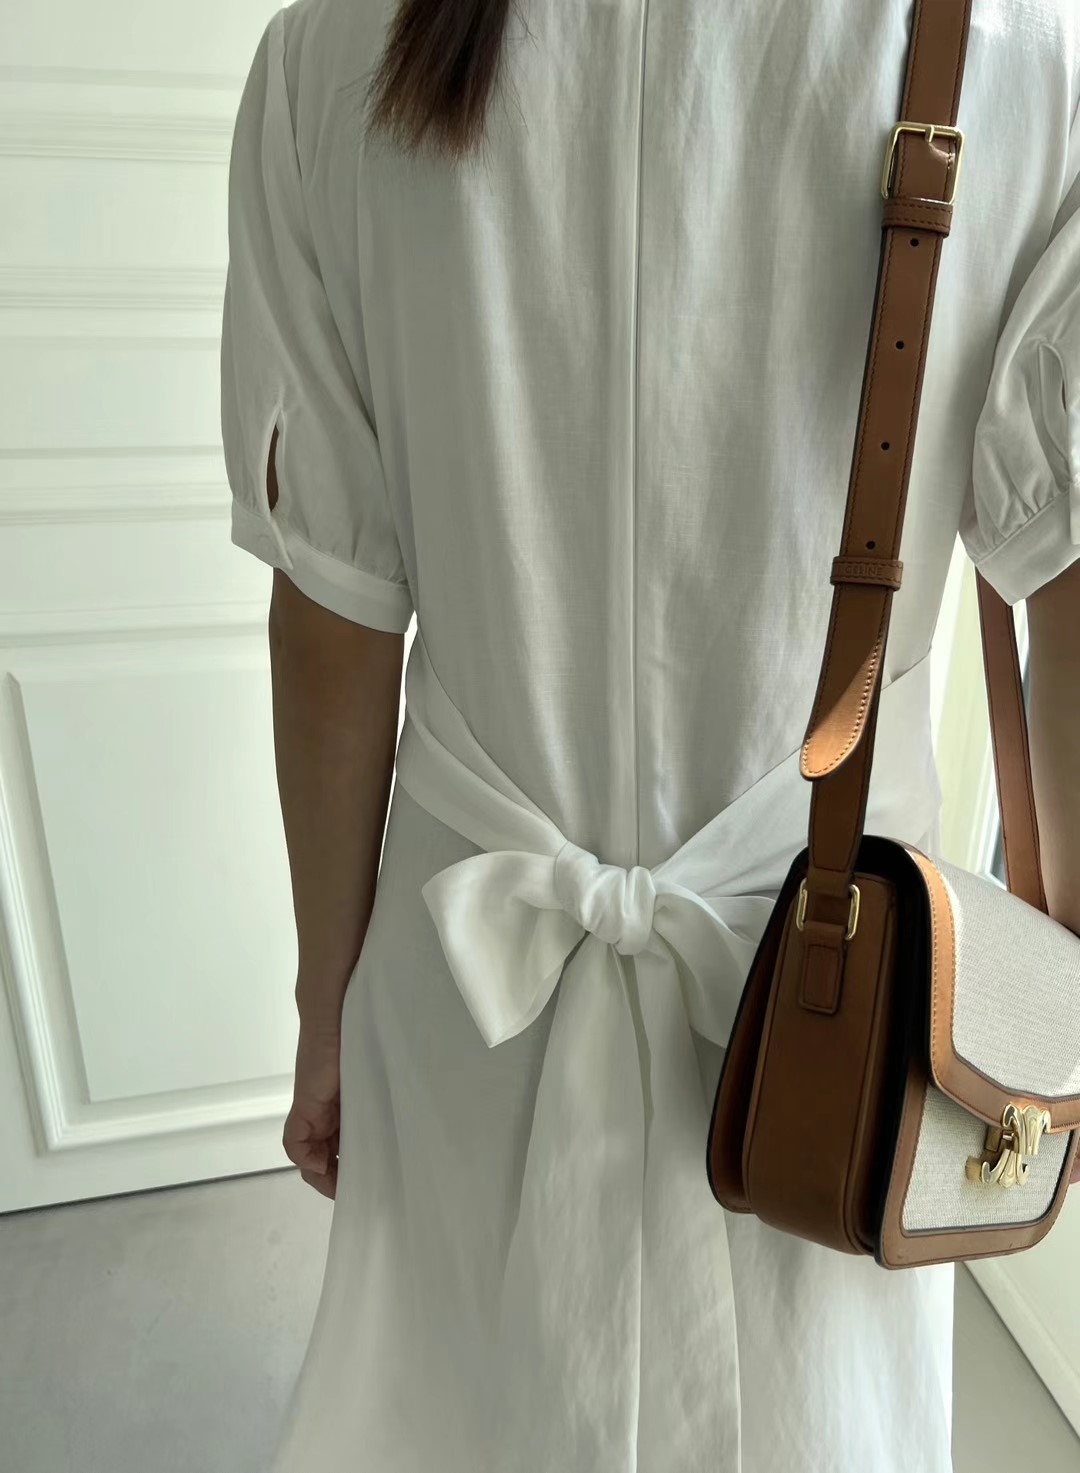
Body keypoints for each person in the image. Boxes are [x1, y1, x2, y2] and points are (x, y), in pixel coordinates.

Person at [219, 0, 1080, 1468]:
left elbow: (335, 618)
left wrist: (327, 1008)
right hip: (842, 1014)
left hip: (465, 974)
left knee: (456, 1411)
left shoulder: (334, 51)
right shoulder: (1022, 56)